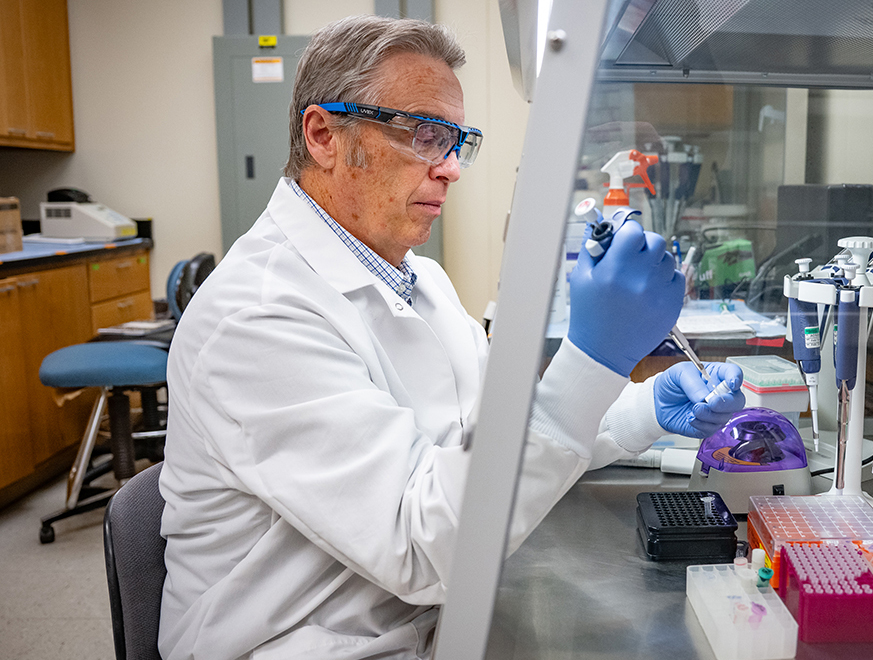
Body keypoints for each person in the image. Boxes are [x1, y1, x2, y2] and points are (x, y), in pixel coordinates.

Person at [158, 15, 744, 660]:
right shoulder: (256, 317)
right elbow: (422, 547)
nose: (451, 168)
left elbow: (499, 440)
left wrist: (643, 408)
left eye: (458, 141)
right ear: (324, 135)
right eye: (424, 135)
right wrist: (593, 358)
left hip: (422, 623)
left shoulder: (420, 279)